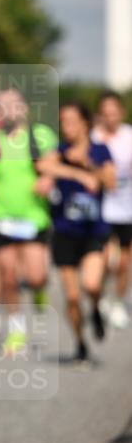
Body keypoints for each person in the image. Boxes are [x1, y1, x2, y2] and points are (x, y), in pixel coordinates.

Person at [39, 102, 116, 363]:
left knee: (91, 284)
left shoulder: (100, 150)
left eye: (72, 121)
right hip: (64, 232)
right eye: (63, 121)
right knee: (72, 297)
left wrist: (89, 166)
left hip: (93, 231)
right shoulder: (60, 151)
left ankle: (95, 308)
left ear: (85, 123)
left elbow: (110, 181)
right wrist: (76, 172)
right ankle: (81, 344)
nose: (67, 127)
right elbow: (44, 167)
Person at [0, 88, 56, 353]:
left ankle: (38, 290)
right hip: (2, 215)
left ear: (24, 108)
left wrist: (48, 179)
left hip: (32, 217)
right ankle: (16, 331)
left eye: (13, 104)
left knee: (36, 276)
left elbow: (52, 164)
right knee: (8, 276)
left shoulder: (39, 136)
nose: (8, 109)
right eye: (2, 105)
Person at [93, 91, 132, 329]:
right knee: (108, 260)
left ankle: (117, 301)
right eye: (105, 113)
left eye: (114, 112)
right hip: (104, 209)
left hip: (128, 208)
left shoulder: (129, 135)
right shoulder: (94, 138)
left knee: (125, 263)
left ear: (121, 113)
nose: (110, 117)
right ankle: (101, 295)